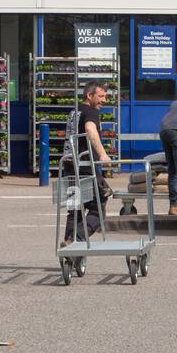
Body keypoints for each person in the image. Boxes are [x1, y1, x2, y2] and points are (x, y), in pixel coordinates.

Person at [61, 81, 114, 245]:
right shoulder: (90, 112)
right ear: (89, 96)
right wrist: (103, 154)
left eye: (105, 96)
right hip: (84, 168)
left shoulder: (74, 111)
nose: (104, 100)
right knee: (99, 206)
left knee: (75, 210)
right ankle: (77, 238)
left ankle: (69, 246)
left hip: (69, 166)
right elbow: (91, 130)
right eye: (100, 96)